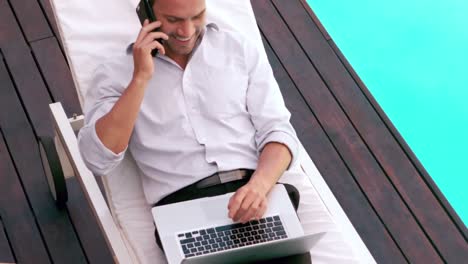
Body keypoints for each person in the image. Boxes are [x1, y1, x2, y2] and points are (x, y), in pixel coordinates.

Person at [78, 0, 310, 262]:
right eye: (174, 20)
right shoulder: (116, 74)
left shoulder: (238, 49)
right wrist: (140, 78)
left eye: (197, 16)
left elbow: (278, 130)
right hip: (182, 206)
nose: (187, 31)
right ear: (147, 14)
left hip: (255, 192)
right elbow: (97, 159)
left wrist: (260, 186)